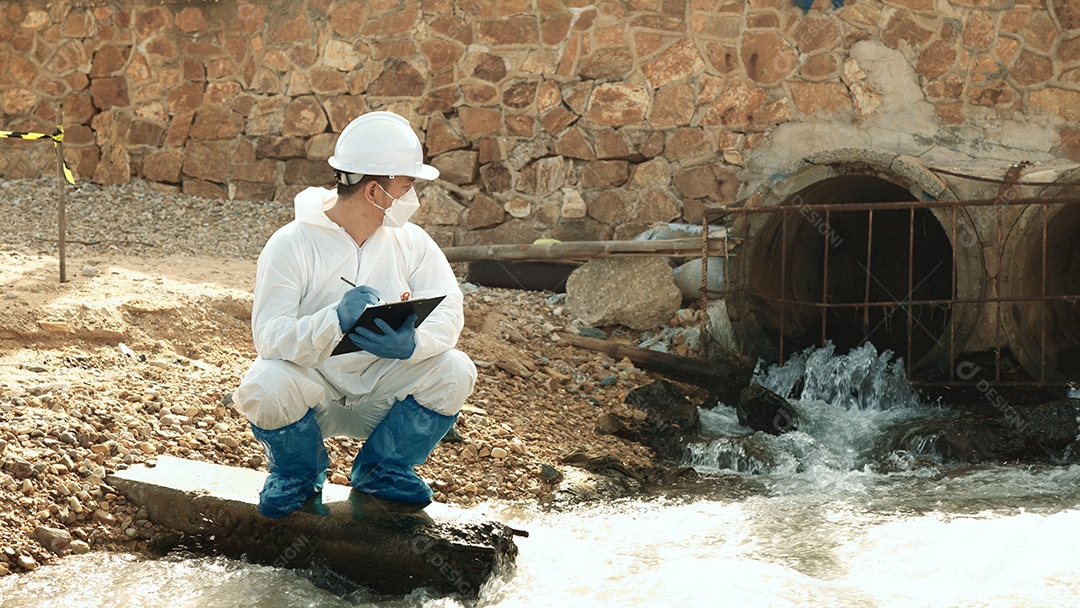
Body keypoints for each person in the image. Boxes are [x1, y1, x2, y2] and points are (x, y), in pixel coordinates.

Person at [232, 111, 476, 518]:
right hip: (315, 393)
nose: (412, 196)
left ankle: (383, 469)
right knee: (266, 382)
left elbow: (449, 309)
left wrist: (414, 344)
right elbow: (270, 337)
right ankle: (297, 474)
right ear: (375, 191)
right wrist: (333, 321)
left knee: (456, 369)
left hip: (384, 391)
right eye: (407, 185)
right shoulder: (291, 244)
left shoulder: (412, 242)